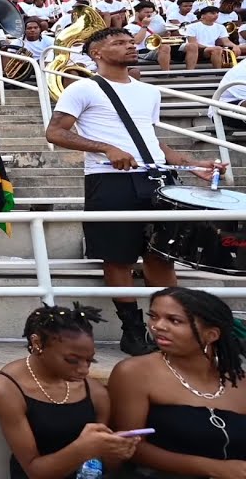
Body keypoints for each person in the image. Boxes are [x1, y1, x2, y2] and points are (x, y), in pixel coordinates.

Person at [46, 28, 221, 355]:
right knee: (118, 257)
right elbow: (55, 132)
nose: (130, 46)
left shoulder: (149, 92)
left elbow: (149, 138)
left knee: (161, 256)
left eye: (130, 42)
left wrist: (192, 165)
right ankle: (132, 330)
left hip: (158, 178)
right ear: (97, 53)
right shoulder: (83, 87)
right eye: (119, 43)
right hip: (110, 179)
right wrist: (105, 148)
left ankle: (170, 327)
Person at [0, 304, 138, 479]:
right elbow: (34, 471)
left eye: (90, 360)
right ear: (37, 343)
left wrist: (115, 452)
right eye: (72, 360)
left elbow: (102, 466)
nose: (84, 370)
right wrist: (83, 448)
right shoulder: (7, 388)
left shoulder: (96, 392)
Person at [109, 287, 246, 475]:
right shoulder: (134, 372)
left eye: (174, 320)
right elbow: (129, 445)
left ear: (211, 335)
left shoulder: (239, 381)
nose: (158, 326)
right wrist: (216, 468)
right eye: (153, 317)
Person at [184, 5, 242, 69]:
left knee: (218, 49)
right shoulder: (192, 27)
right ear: (203, 16)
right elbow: (193, 42)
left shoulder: (220, 27)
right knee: (194, 46)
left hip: (211, 49)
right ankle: (190, 71)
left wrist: (235, 46)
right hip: (196, 49)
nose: (216, 15)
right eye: (212, 13)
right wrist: (211, 47)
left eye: (217, 13)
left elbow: (226, 42)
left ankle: (218, 71)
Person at [126, 0, 173, 72]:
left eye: (151, 12)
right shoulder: (130, 27)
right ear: (137, 13)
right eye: (146, 12)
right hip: (143, 52)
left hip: (154, 49)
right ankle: (166, 72)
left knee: (188, 46)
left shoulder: (151, 25)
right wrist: (144, 26)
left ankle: (189, 71)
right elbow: (137, 41)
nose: (149, 14)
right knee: (165, 47)